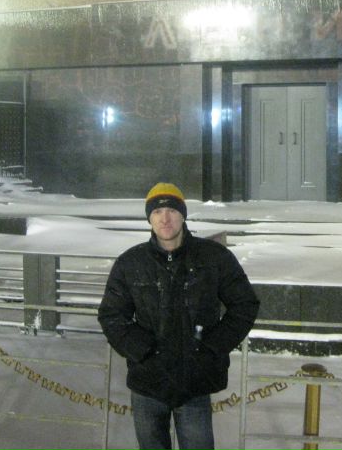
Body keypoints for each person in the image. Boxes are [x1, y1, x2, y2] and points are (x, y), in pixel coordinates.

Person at [98, 182, 259, 450]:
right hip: (148, 382)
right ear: (149, 218)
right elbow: (111, 316)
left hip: (194, 383)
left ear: (183, 215)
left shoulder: (213, 258)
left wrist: (211, 346)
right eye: (157, 212)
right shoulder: (130, 263)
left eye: (172, 210)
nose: (165, 218)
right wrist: (143, 350)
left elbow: (244, 305)